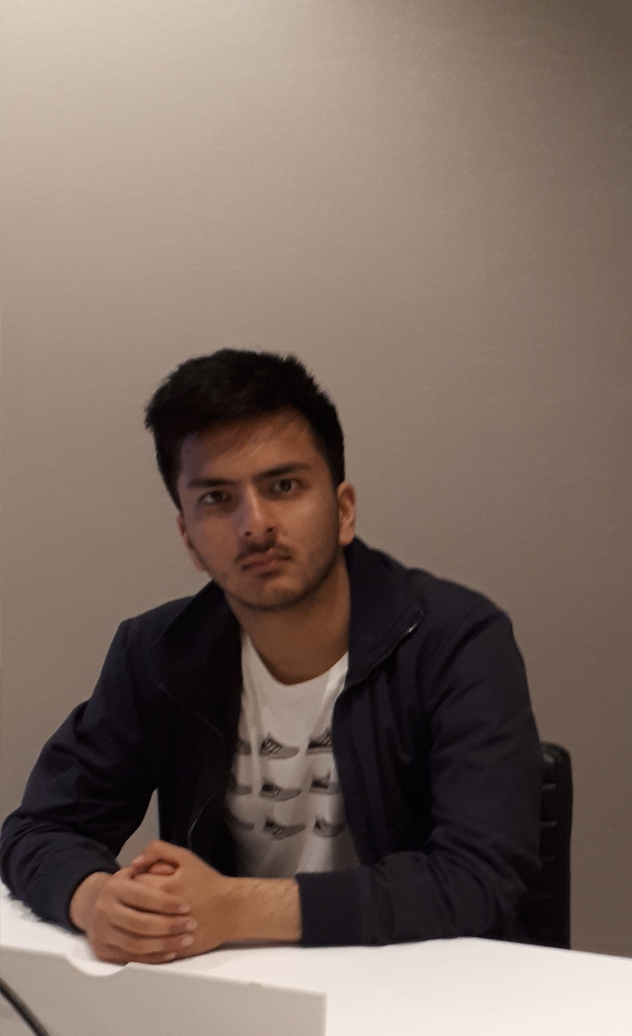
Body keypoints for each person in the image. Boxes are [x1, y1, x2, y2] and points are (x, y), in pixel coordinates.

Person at [1, 349, 543, 962]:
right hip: (243, 997)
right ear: (187, 537)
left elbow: (480, 877)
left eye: (283, 486)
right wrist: (93, 898)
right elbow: (40, 828)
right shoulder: (156, 654)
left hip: (424, 992)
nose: (254, 525)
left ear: (342, 510)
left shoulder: (455, 640)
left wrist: (233, 907)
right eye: (215, 499)